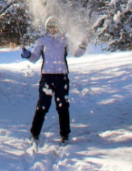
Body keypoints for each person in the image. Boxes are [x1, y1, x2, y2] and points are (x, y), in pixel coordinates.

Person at [21, 16, 87, 144]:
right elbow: (34, 57)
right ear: (47, 28)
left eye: (55, 27)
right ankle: (35, 133)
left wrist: (83, 45)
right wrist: (27, 54)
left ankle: (65, 134)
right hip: (47, 77)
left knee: (62, 106)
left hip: (61, 77)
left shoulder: (64, 40)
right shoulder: (42, 41)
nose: (53, 29)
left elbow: (76, 53)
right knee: (42, 106)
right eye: (50, 27)